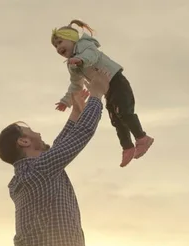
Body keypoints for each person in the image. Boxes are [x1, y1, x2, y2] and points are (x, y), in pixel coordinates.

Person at [0, 67, 111, 246]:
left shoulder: (35, 171)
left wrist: (75, 114)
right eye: (30, 130)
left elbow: (60, 147)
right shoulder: (38, 171)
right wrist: (97, 94)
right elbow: (79, 139)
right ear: (24, 141)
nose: (37, 132)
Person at [52, 19, 154, 168]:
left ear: (72, 39)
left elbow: (91, 56)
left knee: (124, 112)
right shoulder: (72, 65)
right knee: (115, 119)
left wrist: (80, 60)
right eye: (55, 46)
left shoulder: (85, 46)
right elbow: (76, 84)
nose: (58, 47)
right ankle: (127, 147)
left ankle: (142, 138)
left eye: (60, 42)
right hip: (106, 89)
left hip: (116, 81)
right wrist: (66, 101)